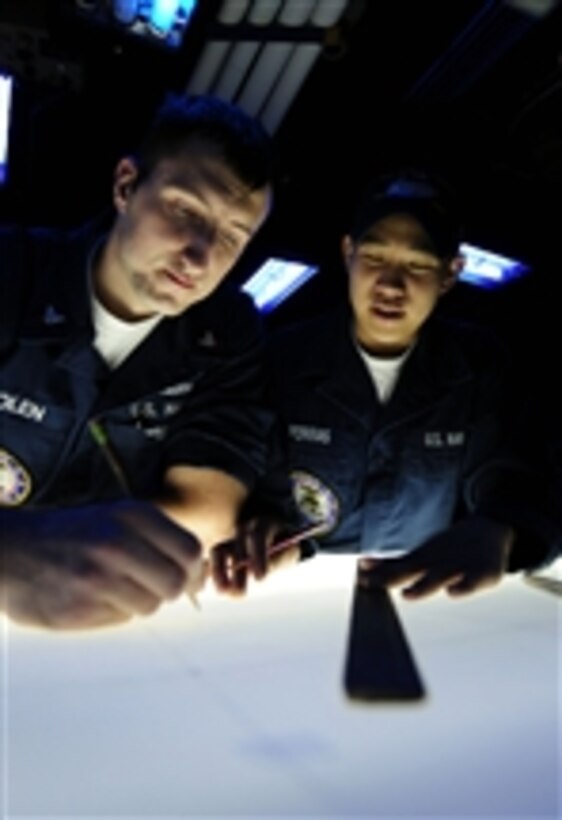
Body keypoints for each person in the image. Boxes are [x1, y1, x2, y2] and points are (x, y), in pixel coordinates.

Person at [0, 92, 280, 629]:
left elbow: (210, 510)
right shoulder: (10, 269)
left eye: (230, 237)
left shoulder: (228, 333)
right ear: (126, 185)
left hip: (115, 621)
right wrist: (13, 550)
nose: (199, 255)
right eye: (184, 210)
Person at [260, 168, 559, 598]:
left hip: (426, 594)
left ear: (451, 273)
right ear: (348, 254)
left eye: (417, 264)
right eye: (375, 258)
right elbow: (252, 480)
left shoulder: (481, 366)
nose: (391, 285)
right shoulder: (283, 358)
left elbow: (513, 473)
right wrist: (268, 529)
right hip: (298, 595)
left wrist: (500, 528)